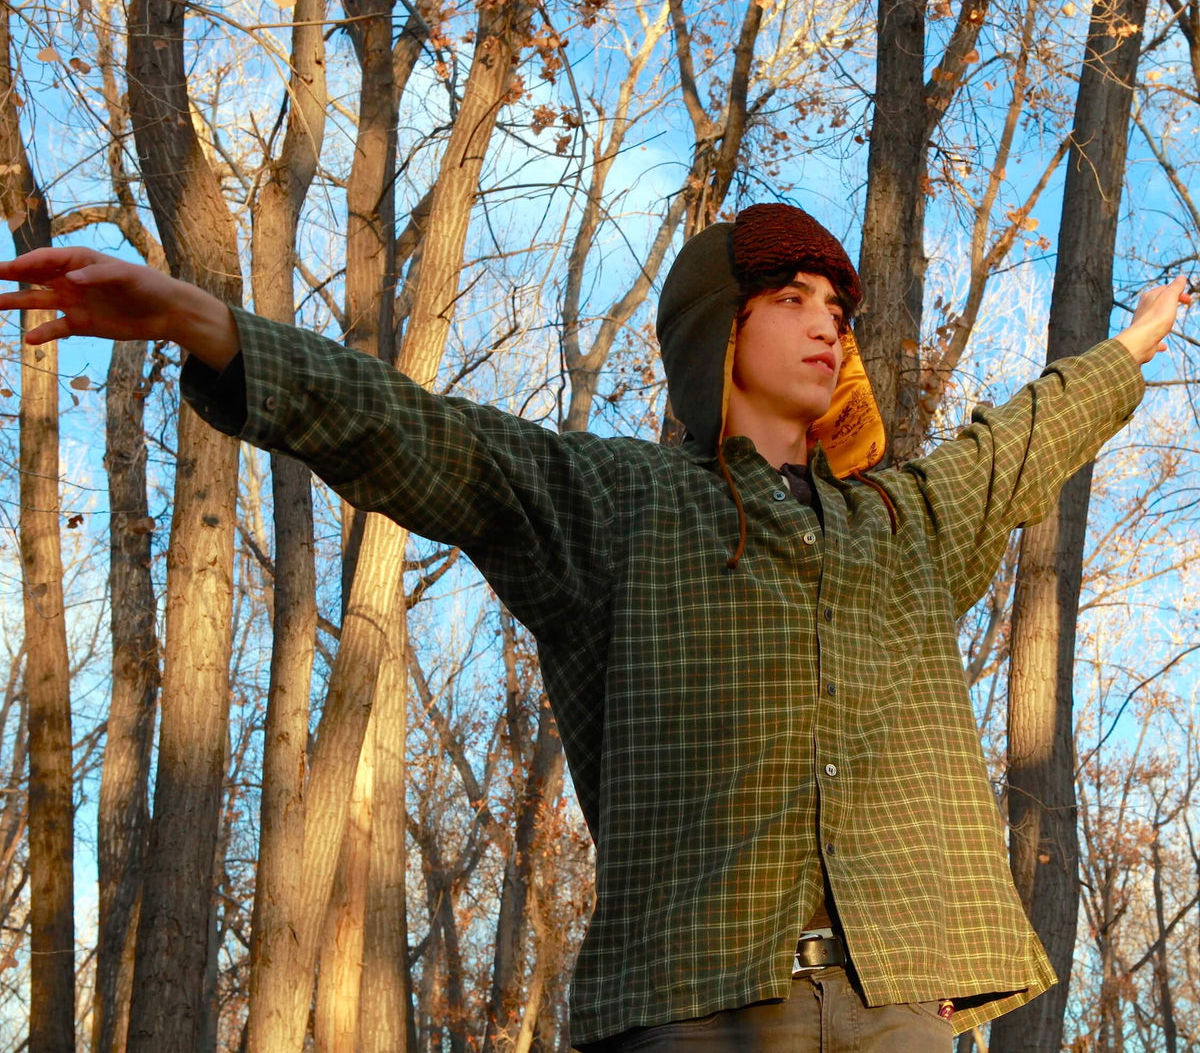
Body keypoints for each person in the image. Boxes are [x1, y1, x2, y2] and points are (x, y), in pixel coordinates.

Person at [0, 203, 1191, 1052]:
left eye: (836, 304)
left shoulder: (907, 521)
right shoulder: (615, 502)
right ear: (720, 331)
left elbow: (1023, 440)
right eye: (791, 300)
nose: (829, 325)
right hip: (698, 1004)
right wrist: (209, 325)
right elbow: (421, 436)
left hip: (904, 1006)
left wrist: (1133, 347)